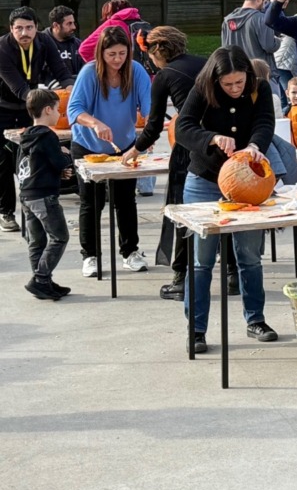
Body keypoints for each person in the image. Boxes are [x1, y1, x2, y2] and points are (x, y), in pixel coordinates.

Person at [174, 47, 279, 354]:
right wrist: (211, 137)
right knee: (201, 261)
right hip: (205, 180)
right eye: (228, 85)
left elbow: (265, 123)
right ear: (216, 80)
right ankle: (196, 329)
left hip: (248, 181)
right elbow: (182, 128)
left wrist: (256, 145)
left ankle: (255, 319)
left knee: (249, 256)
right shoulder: (201, 87)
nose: (235, 89)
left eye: (239, 83)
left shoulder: (260, 88)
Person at [122, 26, 206, 300]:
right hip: (219, 142)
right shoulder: (204, 64)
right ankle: (232, 274)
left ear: (158, 51)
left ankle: (181, 278)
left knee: (181, 210)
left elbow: (154, 124)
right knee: (220, 208)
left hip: (189, 145)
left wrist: (135, 149)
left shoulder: (165, 75)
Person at [68, 26, 151, 277]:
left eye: (122, 53)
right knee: (91, 202)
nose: (117, 60)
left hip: (124, 146)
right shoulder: (88, 73)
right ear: (101, 53)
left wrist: (149, 132)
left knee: (126, 200)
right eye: (111, 54)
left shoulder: (136, 72)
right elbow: (74, 110)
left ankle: (130, 251)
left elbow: (149, 109)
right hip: (87, 146)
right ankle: (90, 256)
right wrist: (95, 123)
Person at [0, 7, 73, 232]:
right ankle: (6, 212)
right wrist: (44, 104)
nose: (24, 33)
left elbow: (61, 71)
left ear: (36, 28)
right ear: (11, 29)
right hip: (3, 107)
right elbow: (18, 86)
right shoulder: (2, 48)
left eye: (29, 27)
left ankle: (35, 206)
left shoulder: (44, 41)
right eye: (19, 28)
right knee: (3, 161)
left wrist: (71, 91)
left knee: (32, 159)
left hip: (28, 108)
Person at [18, 88, 75, 299]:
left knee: (37, 241)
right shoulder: (48, 136)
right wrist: (66, 157)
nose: (60, 115)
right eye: (59, 111)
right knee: (59, 237)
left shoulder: (25, 136)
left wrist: (55, 172)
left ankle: (43, 280)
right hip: (44, 196)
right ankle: (41, 278)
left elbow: (27, 166)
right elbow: (57, 161)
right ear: (48, 110)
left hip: (27, 194)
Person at [221, 0, 280, 87]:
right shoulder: (262, 18)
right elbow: (269, 46)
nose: (265, 6)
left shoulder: (227, 20)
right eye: (265, 2)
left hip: (238, 77)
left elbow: (224, 49)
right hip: (261, 75)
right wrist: (278, 41)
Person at [77, 0, 142, 64]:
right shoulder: (141, 24)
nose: (107, 18)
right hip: (143, 70)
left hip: (120, 71)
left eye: (108, 14)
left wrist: (103, 67)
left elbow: (84, 49)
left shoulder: (112, 23)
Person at [46, 6, 83, 76]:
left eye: (73, 23)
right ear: (56, 25)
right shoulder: (40, 43)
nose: (73, 27)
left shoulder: (78, 44)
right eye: (69, 23)